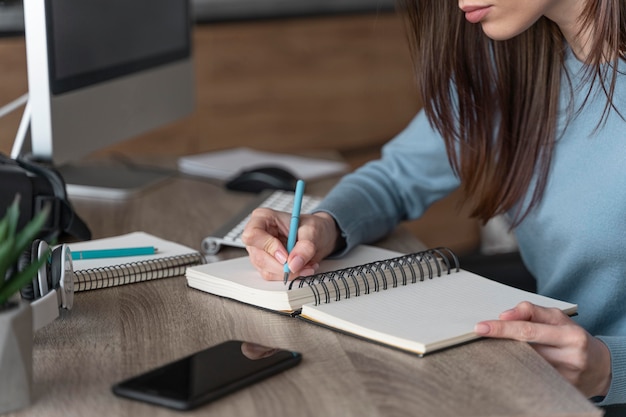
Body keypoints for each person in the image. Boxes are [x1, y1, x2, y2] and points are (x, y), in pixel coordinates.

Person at [241, 0, 626, 406]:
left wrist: (609, 368)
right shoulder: (513, 69)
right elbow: (395, 178)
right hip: (545, 391)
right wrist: (325, 224)